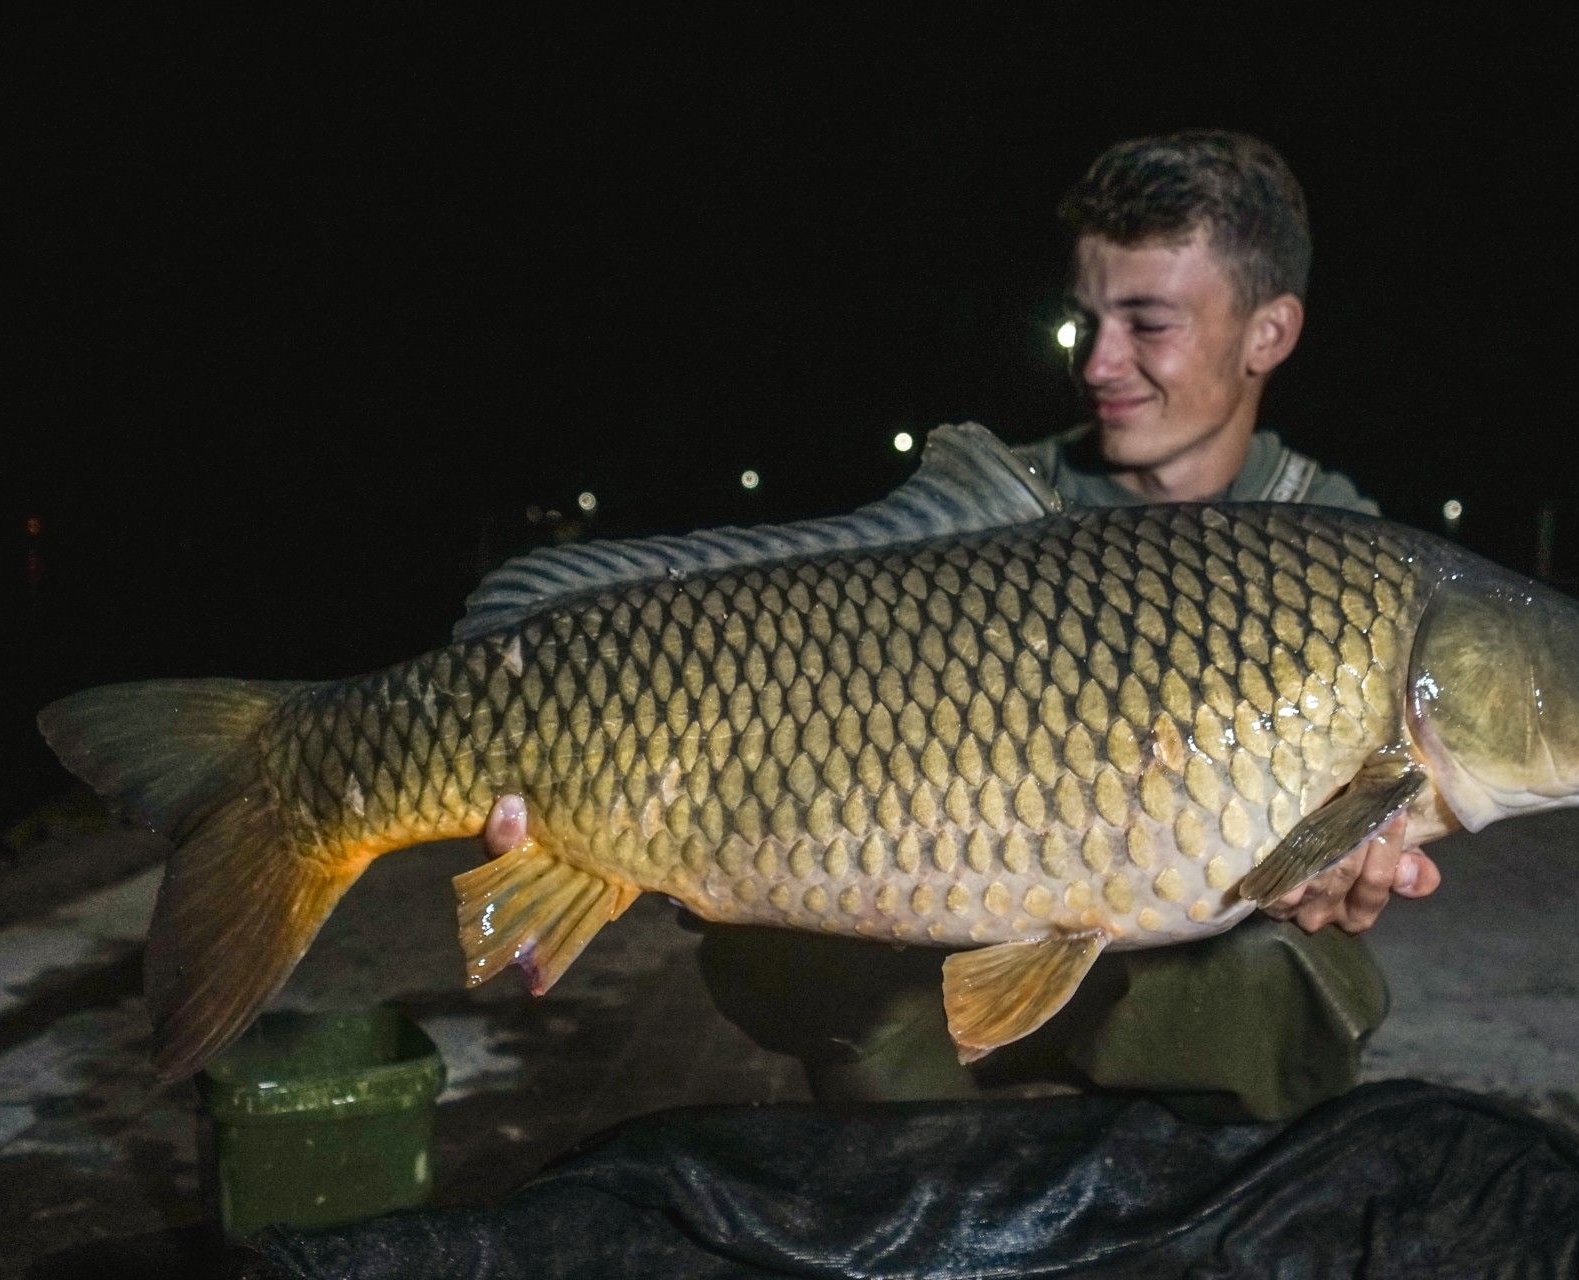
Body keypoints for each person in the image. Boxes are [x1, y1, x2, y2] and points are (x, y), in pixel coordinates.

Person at [482, 130, 1439, 1119]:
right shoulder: (995, 504)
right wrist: (619, 821)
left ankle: (1194, 1194)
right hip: (930, 995)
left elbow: (1357, 847)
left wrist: (1341, 868)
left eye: (1148, 323)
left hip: (1177, 1011)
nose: (1101, 363)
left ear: (1267, 332)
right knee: (781, 940)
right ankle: (925, 1179)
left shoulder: (1348, 556)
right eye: (1085, 321)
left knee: (1282, 959)